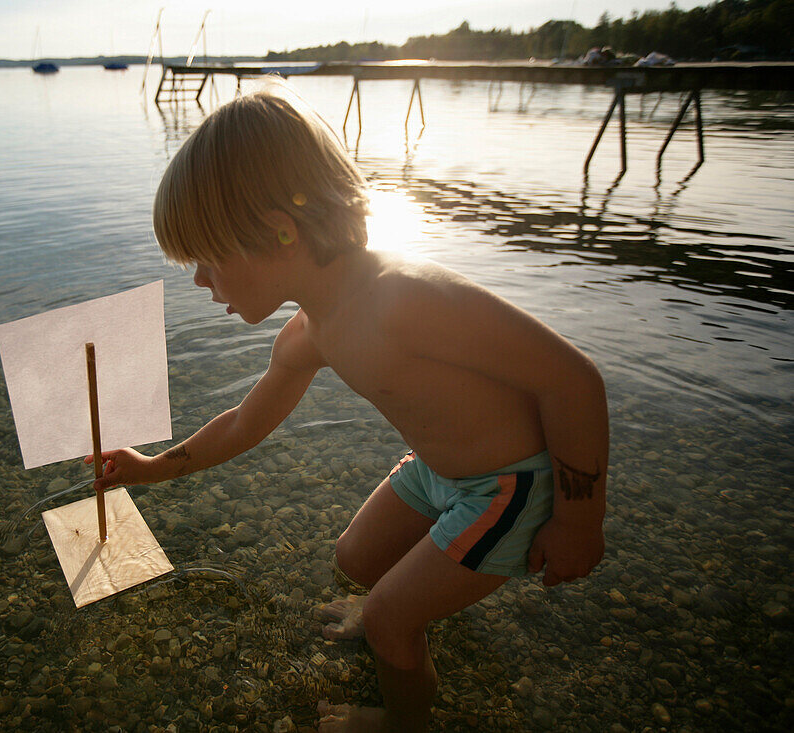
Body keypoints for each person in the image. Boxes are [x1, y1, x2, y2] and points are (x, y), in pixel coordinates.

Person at [86, 85, 607, 731]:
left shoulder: (405, 299)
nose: (198, 279)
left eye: (207, 256)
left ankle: (403, 719)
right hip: (435, 467)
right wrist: (147, 468)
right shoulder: (309, 332)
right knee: (357, 561)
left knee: (390, 615)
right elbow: (246, 422)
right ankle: (399, 614)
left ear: (279, 230)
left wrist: (579, 521)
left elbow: (573, 381)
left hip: (511, 485)